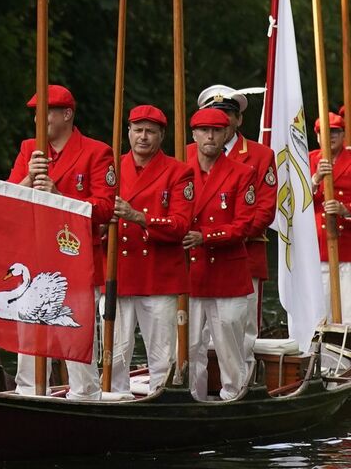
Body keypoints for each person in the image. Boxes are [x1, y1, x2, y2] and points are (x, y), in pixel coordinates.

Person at [7, 84, 116, 399]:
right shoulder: (30, 149)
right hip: (34, 255)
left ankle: (85, 396)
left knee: (74, 334)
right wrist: (28, 178)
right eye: (36, 114)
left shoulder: (96, 152)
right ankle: (27, 393)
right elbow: (8, 200)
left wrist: (59, 197)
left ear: (67, 114)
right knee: (28, 333)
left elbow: (106, 209)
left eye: (47, 113)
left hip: (75, 259)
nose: (39, 120)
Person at [105, 105, 194, 394]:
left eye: (150, 132)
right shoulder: (111, 169)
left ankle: (160, 399)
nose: (143, 137)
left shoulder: (179, 172)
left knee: (162, 354)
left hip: (158, 274)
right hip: (118, 273)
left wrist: (138, 217)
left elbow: (180, 225)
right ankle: (115, 399)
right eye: (138, 130)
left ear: (161, 136)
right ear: (128, 132)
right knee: (115, 352)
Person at [193, 85, 277, 368]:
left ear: (238, 119)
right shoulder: (187, 153)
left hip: (243, 254)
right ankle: (196, 392)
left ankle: (241, 390)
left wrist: (228, 235)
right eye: (214, 114)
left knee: (240, 331)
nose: (222, 120)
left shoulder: (260, 155)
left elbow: (264, 210)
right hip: (194, 257)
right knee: (192, 334)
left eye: (228, 114)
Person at [184, 108, 256, 401]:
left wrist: (206, 237)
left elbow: (244, 224)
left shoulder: (242, 173)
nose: (210, 136)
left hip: (227, 273)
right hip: (189, 273)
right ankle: (192, 399)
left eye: (216, 131)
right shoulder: (181, 171)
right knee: (188, 346)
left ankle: (234, 396)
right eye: (203, 130)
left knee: (229, 345)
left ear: (227, 134)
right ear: (194, 135)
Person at [310, 111, 351, 322]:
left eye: (335, 131)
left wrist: (346, 210)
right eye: (325, 132)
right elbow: (293, 203)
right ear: (317, 136)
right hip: (317, 248)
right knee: (320, 314)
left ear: (343, 134)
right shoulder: (308, 160)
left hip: (348, 247)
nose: (330, 136)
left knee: (348, 312)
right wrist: (316, 178)